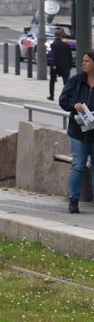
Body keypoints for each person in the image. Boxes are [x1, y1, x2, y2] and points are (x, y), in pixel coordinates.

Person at [58, 50, 94, 213]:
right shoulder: (76, 80)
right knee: (78, 165)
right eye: (83, 61)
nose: (83, 64)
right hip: (78, 131)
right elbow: (63, 100)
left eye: (87, 61)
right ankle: (73, 200)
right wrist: (74, 105)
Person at [47, 25, 73, 100]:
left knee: (52, 81)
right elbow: (69, 56)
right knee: (66, 82)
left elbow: (53, 55)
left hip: (56, 65)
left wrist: (53, 64)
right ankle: (67, 96)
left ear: (55, 35)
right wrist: (70, 65)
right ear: (61, 36)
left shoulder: (54, 44)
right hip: (65, 65)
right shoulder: (66, 45)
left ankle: (51, 96)